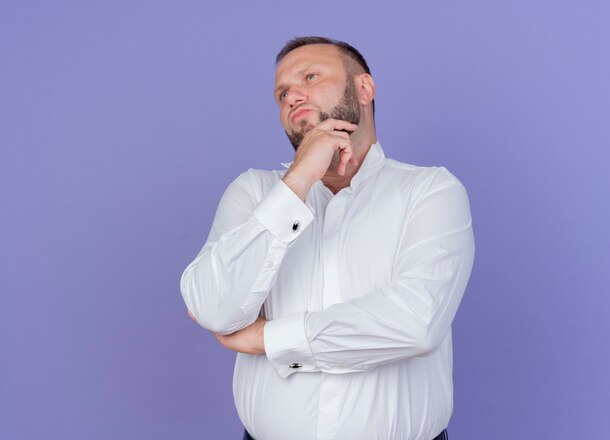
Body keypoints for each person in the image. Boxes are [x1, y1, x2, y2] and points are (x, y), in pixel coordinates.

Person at [180, 36, 474, 440]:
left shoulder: (430, 190)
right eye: (282, 93)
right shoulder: (253, 192)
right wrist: (298, 180)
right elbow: (213, 307)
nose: (292, 96)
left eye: (310, 77)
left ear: (364, 88)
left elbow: (415, 323)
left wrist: (268, 338)